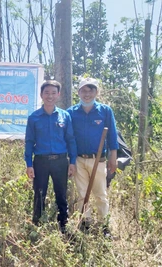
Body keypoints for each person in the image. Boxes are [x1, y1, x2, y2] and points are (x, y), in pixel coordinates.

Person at [67, 77, 119, 236]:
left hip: (99, 160)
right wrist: (71, 160)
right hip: (78, 160)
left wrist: (113, 157)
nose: (87, 94)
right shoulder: (71, 112)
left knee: (100, 194)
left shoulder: (105, 111)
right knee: (83, 193)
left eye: (91, 90)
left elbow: (112, 135)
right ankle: (86, 223)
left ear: (96, 92)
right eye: (84, 90)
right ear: (79, 92)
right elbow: (68, 137)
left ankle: (105, 226)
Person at [25, 80, 77, 233]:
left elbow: (70, 140)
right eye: (47, 92)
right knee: (39, 194)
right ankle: (37, 226)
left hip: (60, 161)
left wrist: (72, 162)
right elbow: (29, 142)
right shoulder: (33, 118)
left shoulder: (64, 116)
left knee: (61, 194)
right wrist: (29, 164)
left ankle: (64, 226)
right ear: (41, 95)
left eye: (54, 93)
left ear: (58, 95)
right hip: (40, 162)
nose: (50, 96)